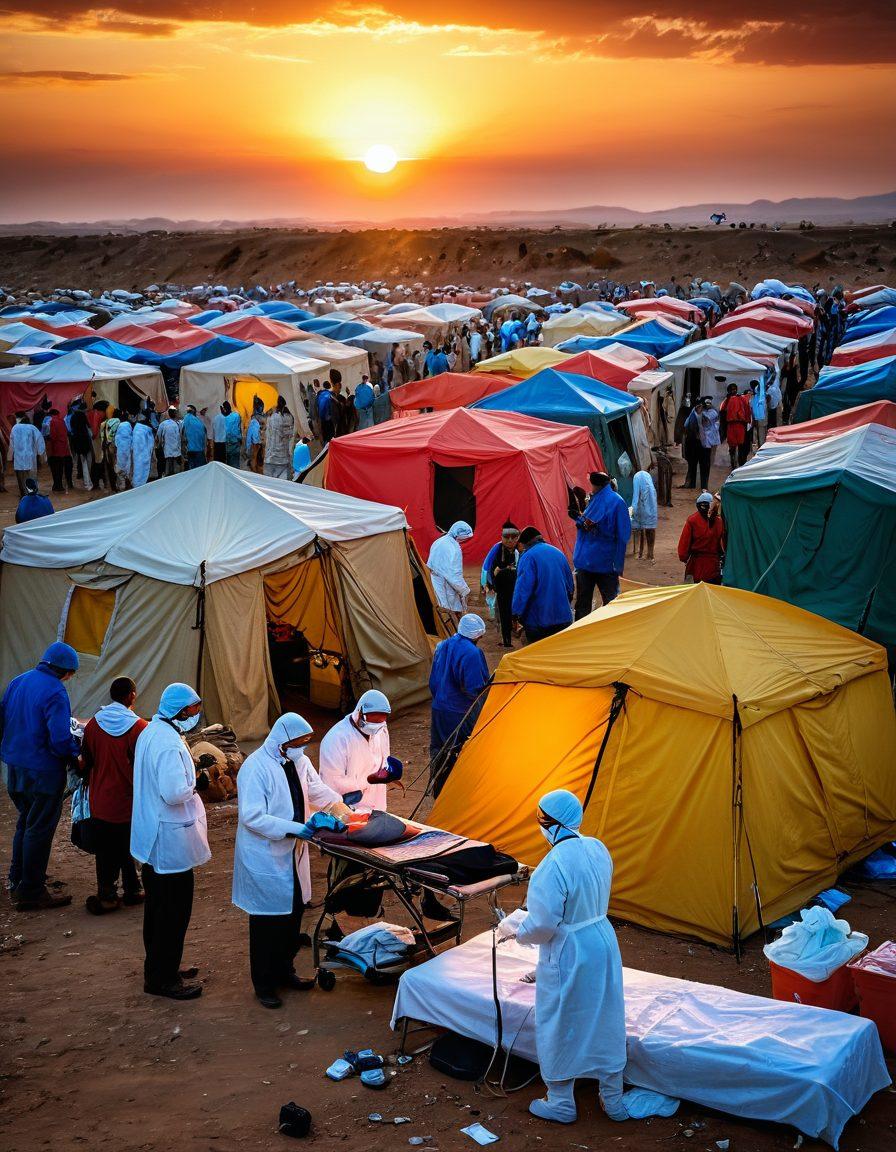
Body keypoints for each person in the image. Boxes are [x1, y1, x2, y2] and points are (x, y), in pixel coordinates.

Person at [497, 790, 626, 1124]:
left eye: (540, 819)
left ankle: (560, 1100)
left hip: (571, 949)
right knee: (605, 1013)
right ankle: (612, 1097)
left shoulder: (551, 866)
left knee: (560, 1018)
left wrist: (516, 930)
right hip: (602, 939)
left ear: (549, 823)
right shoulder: (597, 847)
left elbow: (543, 925)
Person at [232, 713, 345, 1008]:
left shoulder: (299, 761)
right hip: (265, 855)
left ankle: (286, 971)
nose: (302, 748)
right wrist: (296, 828)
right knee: (267, 924)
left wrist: (340, 806)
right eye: (298, 743)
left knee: (293, 914)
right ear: (282, 741)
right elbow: (252, 816)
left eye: (306, 742)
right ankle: (264, 984)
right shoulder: (255, 768)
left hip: (293, 852)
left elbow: (315, 789)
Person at [130, 683, 211, 1000]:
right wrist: (197, 781)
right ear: (180, 710)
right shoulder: (166, 742)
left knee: (158, 911)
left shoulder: (153, 731)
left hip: (157, 836)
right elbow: (174, 793)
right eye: (193, 709)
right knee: (172, 913)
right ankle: (162, 979)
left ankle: (162, 968)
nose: (196, 714)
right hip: (168, 840)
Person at [1, 642, 81, 911]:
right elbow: (59, 738)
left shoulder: (18, 681)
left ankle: (18, 879)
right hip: (43, 771)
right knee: (39, 828)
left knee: (25, 822)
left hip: (15, 767)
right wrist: (76, 754)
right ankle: (32, 891)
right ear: (66, 671)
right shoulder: (55, 691)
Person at [79, 678, 147, 915]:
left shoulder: (93, 725)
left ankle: (107, 894)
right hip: (129, 800)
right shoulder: (139, 727)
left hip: (101, 800)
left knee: (106, 849)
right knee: (130, 845)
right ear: (131, 696)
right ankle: (134, 889)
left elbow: (85, 761)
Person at [429, 614, 489, 789]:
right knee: (461, 751)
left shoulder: (442, 646)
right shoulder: (472, 653)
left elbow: (433, 681)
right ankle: (459, 789)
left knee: (439, 750)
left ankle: (439, 787)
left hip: (439, 708)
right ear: (478, 635)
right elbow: (474, 687)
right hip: (460, 712)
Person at [319, 690, 392, 812]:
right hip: (349, 810)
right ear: (359, 713)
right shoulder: (336, 738)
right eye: (372, 723)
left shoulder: (381, 730)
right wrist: (367, 782)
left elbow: (385, 760)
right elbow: (331, 782)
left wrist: (388, 773)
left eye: (380, 722)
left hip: (378, 807)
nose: (375, 728)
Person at [572, 472, 631, 617]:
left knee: (583, 604)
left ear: (595, 485)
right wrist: (619, 566)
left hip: (586, 562)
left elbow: (585, 526)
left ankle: (582, 629)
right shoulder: (616, 501)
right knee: (610, 604)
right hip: (606, 563)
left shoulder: (598, 502)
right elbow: (623, 536)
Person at [511, 526, 574, 643]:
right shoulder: (558, 553)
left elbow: (523, 590)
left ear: (524, 543)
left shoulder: (528, 556)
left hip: (539, 621)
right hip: (564, 618)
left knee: (537, 653)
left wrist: (515, 614)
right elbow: (570, 587)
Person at [482, 521, 520, 647]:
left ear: (518, 537)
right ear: (501, 537)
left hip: (517, 586)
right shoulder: (497, 549)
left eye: (513, 537)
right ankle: (506, 640)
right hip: (501, 588)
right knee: (503, 613)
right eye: (506, 537)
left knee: (516, 610)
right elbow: (487, 567)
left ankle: (516, 630)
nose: (510, 540)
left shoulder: (520, 548)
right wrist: (488, 585)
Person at [426, 521, 473, 618]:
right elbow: (454, 575)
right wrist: (464, 590)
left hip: (431, 582)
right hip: (445, 586)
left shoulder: (438, 542)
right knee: (449, 613)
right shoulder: (454, 547)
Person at [677, 492, 725, 584]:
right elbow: (723, 546)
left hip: (696, 566)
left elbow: (684, 546)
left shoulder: (692, 520)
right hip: (714, 566)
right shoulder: (719, 522)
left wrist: (684, 558)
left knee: (694, 591)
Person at [9, 412, 45, 497]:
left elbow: (11, 444)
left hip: (18, 460)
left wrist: (9, 457)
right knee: (32, 478)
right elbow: (40, 442)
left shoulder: (14, 428)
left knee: (21, 480)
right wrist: (42, 456)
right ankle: (33, 496)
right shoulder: (32, 428)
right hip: (31, 459)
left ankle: (24, 496)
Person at [720, 383, 751, 470]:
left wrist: (747, 422)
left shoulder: (741, 398)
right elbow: (722, 411)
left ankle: (741, 464)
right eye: (732, 389)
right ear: (728, 391)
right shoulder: (726, 400)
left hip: (740, 425)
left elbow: (747, 409)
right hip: (731, 425)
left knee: (741, 445)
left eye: (735, 389)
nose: (733, 391)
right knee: (732, 446)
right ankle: (733, 464)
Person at [629, 466, 657, 562]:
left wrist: (633, 510)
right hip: (649, 510)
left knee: (641, 530)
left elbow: (635, 497)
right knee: (650, 530)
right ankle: (649, 553)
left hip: (641, 510)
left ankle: (641, 553)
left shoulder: (637, 478)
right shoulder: (652, 491)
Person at [263, 396, 295, 478]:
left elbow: (269, 436)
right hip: (284, 458)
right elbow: (290, 435)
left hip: (271, 458)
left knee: (269, 483)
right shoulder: (289, 417)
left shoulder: (272, 418)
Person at [69, 402, 94, 491]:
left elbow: (71, 430)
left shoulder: (72, 417)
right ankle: (90, 482)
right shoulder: (83, 416)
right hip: (86, 441)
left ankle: (87, 483)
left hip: (77, 442)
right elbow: (89, 428)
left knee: (84, 463)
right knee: (89, 462)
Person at [46, 408, 72, 493]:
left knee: (55, 468)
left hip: (55, 448)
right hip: (64, 448)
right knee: (61, 467)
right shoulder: (62, 421)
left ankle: (57, 485)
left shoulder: (52, 421)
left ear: (51, 415)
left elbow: (53, 436)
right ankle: (61, 485)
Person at [156, 407, 182, 476]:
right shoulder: (179, 424)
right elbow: (180, 437)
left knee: (168, 472)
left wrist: (159, 446)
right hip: (177, 452)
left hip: (167, 452)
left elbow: (158, 436)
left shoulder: (163, 424)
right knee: (176, 472)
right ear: (175, 414)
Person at [130, 414, 155, 487]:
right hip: (143, 456)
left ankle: (138, 483)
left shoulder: (137, 429)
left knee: (138, 468)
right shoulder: (143, 430)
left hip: (138, 455)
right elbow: (149, 446)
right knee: (141, 468)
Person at [182, 404, 208, 469]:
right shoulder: (199, 421)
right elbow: (205, 433)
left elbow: (183, 435)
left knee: (192, 470)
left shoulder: (186, 419)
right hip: (200, 451)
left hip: (190, 450)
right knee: (200, 470)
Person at [114, 415, 134, 489]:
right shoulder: (131, 438)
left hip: (120, 459)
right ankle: (128, 483)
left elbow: (116, 445)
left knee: (120, 471)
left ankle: (121, 486)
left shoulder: (117, 437)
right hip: (128, 460)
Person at [224, 403, 243, 468]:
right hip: (236, 441)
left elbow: (227, 431)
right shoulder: (236, 415)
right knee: (236, 460)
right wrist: (240, 438)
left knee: (229, 460)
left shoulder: (225, 418)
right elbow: (239, 428)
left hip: (229, 442)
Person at [317, 379, 336, 443]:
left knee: (325, 432)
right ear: (329, 386)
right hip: (328, 417)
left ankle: (326, 444)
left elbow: (317, 405)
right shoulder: (330, 394)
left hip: (321, 417)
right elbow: (332, 406)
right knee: (331, 433)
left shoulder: (320, 394)